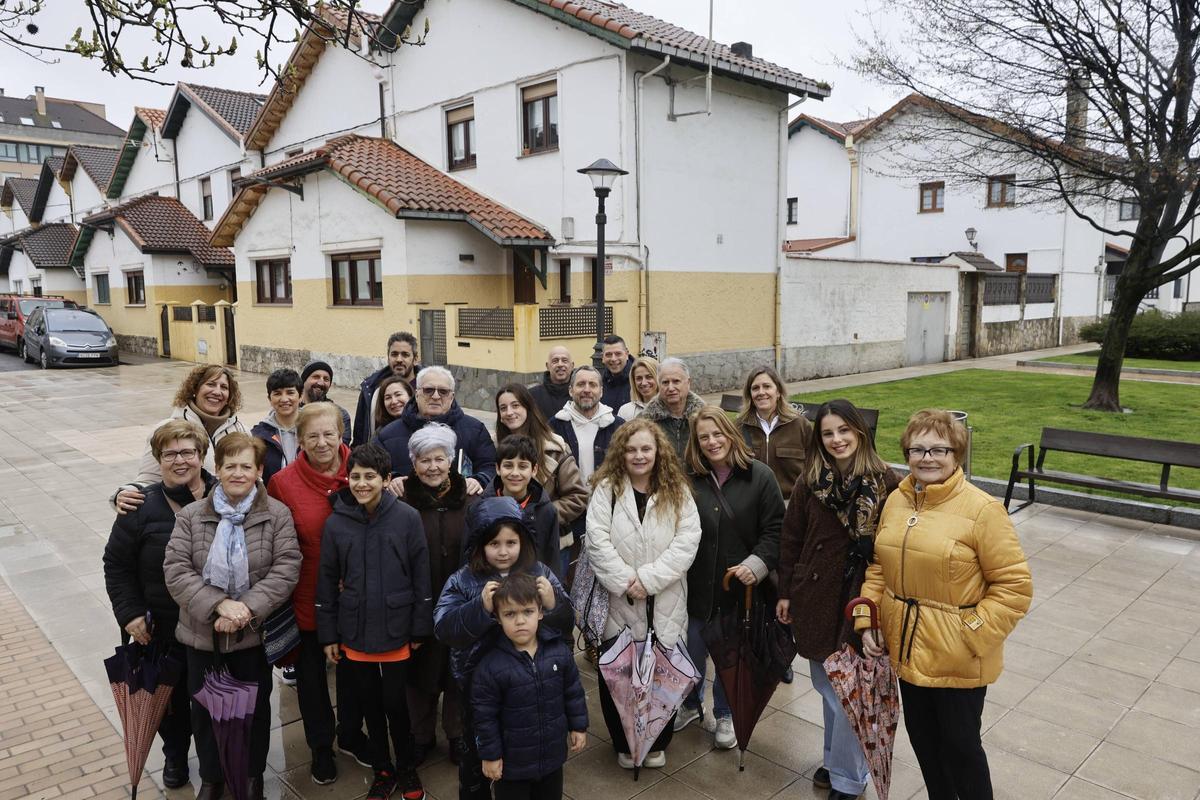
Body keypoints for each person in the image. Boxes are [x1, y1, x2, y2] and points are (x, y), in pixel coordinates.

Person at [858, 409, 1032, 800]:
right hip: (906, 652)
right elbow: (879, 567)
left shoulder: (983, 510)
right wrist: (868, 618)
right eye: (917, 449)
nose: (927, 458)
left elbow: (1014, 586)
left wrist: (969, 633)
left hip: (958, 659)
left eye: (939, 449)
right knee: (926, 745)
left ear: (957, 455)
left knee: (961, 750)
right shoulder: (896, 501)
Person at [163, 433, 300, 800]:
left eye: (246, 466)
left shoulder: (277, 515)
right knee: (205, 712)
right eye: (230, 466)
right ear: (218, 469)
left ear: (259, 471)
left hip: (252, 635)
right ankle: (212, 778)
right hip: (202, 636)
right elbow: (176, 570)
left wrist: (245, 610)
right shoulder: (192, 516)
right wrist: (219, 605)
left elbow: (286, 569)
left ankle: (252, 776)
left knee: (253, 712)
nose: (238, 473)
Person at [776, 400, 900, 800]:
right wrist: (785, 591)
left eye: (844, 430)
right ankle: (834, 760)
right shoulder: (811, 480)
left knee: (852, 689)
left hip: (860, 597)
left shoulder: (886, 482)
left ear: (859, 431)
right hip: (815, 594)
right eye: (828, 433)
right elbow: (791, 538)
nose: (837, 440)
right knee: (827, 685)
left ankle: (849, 777)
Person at [103, 419, 216, 791]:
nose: (180, 460)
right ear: (158, 460)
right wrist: (130, 613)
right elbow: (116, 564)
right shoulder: (140, 506)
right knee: (170, 701)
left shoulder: (225, 496)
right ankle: (175, 755)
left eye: (188, 452)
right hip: (162, 627)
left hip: (212, 626)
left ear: (201, 455)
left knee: (211, 700)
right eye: (170, 454)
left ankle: (215, 764)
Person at [434, 497, 570, 800]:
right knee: (476, 763)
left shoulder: (540, 573)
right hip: (480, 691)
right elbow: (444, 627)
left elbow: (566, 624)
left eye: (511, 542)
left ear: (523, 541)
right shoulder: (463, 580)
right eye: (494, 543)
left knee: (527, 755)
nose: (504, 551)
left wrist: (554, 603)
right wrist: (479, 607)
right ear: (480, 545)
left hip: (531, 687)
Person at [584, 417, 701, 770]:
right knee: (618, 675)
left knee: (663, 674)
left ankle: (656, 742)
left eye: (646, 448)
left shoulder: (676, 489)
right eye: (632, 449)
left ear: (657, 451)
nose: (639, 456)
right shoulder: (607, 489)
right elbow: (596, 540)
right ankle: (623, 742)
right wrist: (626, 581)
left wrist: (648, 579)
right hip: (619, 602)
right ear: (621, 452)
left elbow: (687, 541)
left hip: (665, 601)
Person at [317, 443, 432, 800]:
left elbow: (421, 575)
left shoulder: (407, 518)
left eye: (370, 476)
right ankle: (383, 768)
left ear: (386, 479)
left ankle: (407, 766)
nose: (362, 483)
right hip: (355, 630)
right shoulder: (336, 523)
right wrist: (329, 634)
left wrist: (420, 626)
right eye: (355, 476)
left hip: (396, 627)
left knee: (395, 703)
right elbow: (327, 580)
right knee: (369, 704)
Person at [677, 406, 784, 748]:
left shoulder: (760, 476)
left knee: (731, 655)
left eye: (717, 434)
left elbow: (776, 531)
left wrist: (757, 564)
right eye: (703, 437)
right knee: (691, 650)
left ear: (731, 434)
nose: (712, 442)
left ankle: (725, 713)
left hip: (738, 589)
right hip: (696, 585)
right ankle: (690, 704)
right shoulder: (689, 477)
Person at [266, 402, 357, 783]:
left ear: (341, 435)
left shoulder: (362, 471)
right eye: (312, 436)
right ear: (299, 440)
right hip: (307, 598)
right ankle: (321, 746)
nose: (322, 443)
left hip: (355, 599)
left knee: (355, 675)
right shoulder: (282, 483)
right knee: (312, 680)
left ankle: (352, 734)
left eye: (329, 434)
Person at [401, 424, 477, 767]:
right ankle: (421, 735)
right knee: (419, 673)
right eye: (424, 460)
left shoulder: (471, 499)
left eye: (439, 459)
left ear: (451, 461)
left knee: (457, 670)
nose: (432, 467)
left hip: (460, 604)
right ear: (413, 464)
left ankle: (457, 734)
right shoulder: (402, 501)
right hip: (418, 602)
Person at [472, 574, 588, 800]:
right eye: (510, 614)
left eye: (527, 611)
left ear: (540, 612)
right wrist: (490, 755)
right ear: (498, 618)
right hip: (512, 767)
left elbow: (573, 692)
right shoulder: (491, 666)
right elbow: (484, 717)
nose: (520, 621)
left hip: (552, 759)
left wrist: (579, 726)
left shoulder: (558, 652)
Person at [112, 365, 246, 512]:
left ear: (229, 396)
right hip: (183, 514)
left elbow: (251, 474)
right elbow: (149, 478)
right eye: (210, 384)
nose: (217, 391)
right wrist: (125, 493)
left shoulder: (240, 430)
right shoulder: (167, 428)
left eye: (224, 387)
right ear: (195, 389)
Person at [495, 383, 588, 569]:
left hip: (550, 543)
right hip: (505, 544)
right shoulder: (495, 447)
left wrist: (539, 515)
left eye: (515, 405)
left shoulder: (555, 447)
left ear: (528, 407)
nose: (509, 412)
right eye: (503, 408)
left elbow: (577, 497)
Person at [377, 366, 496, 496]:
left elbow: (490, 466)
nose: (435, 396)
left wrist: (479, 480)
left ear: (452, 397)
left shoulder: (475, 430)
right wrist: (393, 479)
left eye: (443, 391)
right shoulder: (387, 435)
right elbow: (374, 470)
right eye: (428, 390)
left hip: (461, 506)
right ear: (417, 394)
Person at [489, 435, 562, 579]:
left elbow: (552, 561)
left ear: (534, 470)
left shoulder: (546, 511)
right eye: (508, 465)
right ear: (498, 468)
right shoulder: (480, 509)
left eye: (522, 466)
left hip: (531, 589)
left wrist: (551, 589)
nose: (515, 473)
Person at [737, 366, 812, 498]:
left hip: (792, 502)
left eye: (767, 386)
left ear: (778, 392)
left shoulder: (800, 425)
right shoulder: (738, 428)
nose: (761, 392)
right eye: (755, 388)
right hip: (753, 503)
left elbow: (815, 467)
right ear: (750, 395)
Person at [549, 365, 623, 485]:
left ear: (601, 391)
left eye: (592, 385)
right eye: (581, 384)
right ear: (571, 390)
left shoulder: (618, 427)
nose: (587, 390)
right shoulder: (555, 426)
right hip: (569, 495)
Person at [354, 331, 422, 446]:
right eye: (394, 354)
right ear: (388, 358)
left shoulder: (429, 389)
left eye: (405, 355)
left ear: (415, 359)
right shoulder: (371, 389)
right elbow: (360, 436)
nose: (399, 359)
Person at [641, 357, 704, 460]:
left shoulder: (704, 417)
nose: (670, 388)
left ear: (688, 382)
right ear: (659, 385)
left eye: (676, 381)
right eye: (665, 382)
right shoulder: (645, 421)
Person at [251, 368, 303, 485]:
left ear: (300, 396)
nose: (284, 399)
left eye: (290, 392)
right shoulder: (258, 435)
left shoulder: (314, 430)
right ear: (269, 398)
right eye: (277, 393)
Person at [300, 360, 353, 444]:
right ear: (304, 381)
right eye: (316, 377)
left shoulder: (341, 415)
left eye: (326, 379)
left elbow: (342, 447)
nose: (321, 383)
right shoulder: (292, 411)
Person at [528, 345, 574, 421]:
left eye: (564, 360)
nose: (560, 364)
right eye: (555, 361)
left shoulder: (581, 394)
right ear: (547, 366)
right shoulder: (532, 395)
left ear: (572, 365)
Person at [616, 355, 658, 421]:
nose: (644, 383)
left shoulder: (670, 407)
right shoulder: (625, 411)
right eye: (639, 378)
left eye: (649, 377)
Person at [600, 334, 633, 409]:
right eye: (608, 354)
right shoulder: (599, 383)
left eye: (618, 354)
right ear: (602, 357)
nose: (613, 359)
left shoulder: (639, 380)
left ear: (627, 354)